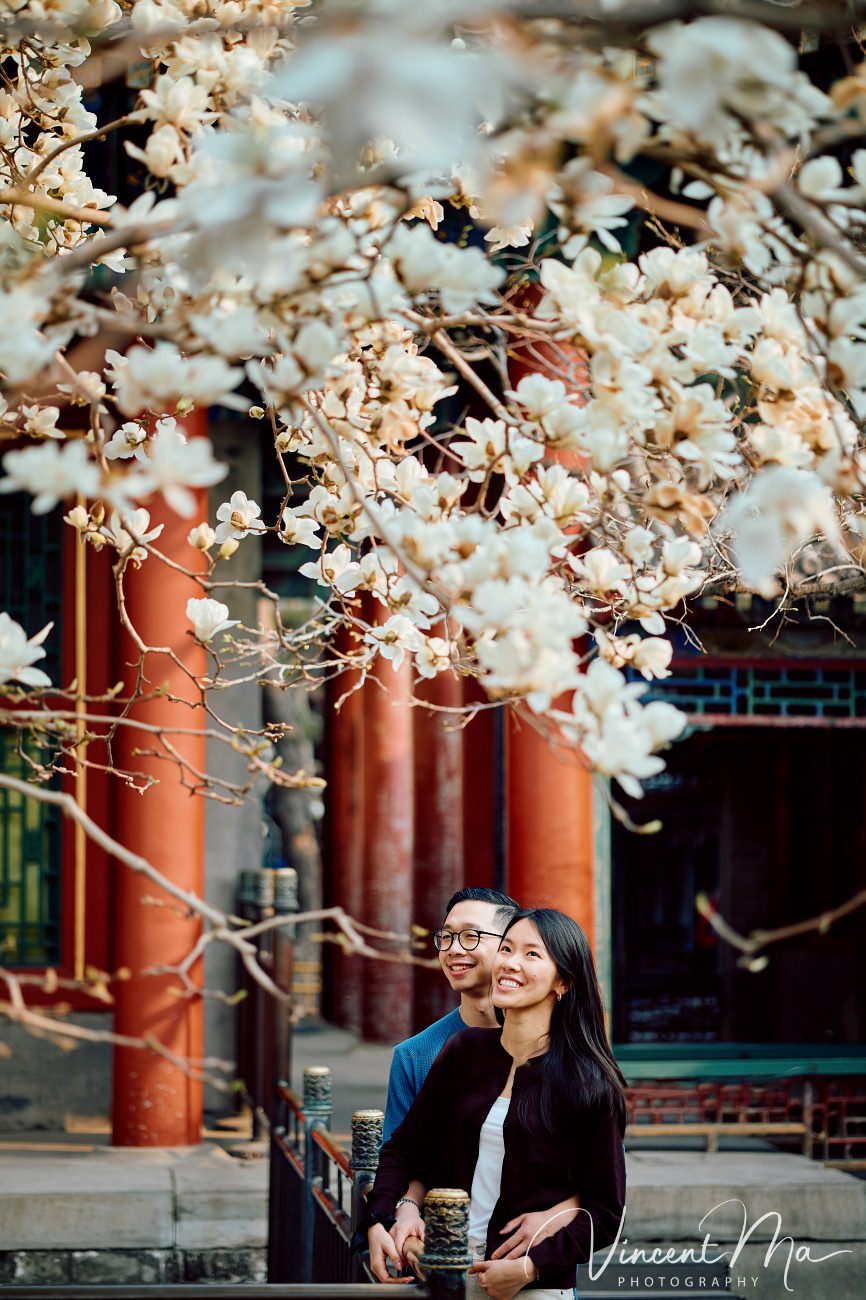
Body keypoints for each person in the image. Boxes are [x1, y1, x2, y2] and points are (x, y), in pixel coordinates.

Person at [362, 908, 627, 1300]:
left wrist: (529, 1267)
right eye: (506, 949)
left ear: (564, 982)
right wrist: (381, 1219)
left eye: (531, 954)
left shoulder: (588, 1083)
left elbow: (605, 1212)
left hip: (529, 1288)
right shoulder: (464, 1052)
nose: (510, 963)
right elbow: (404, 1148)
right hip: (443, 1273)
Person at [382, 887, 519, 1145]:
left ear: (509, 947)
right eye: (446, 936)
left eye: (471, 936)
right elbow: (397, 1160)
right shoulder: (414, 1055)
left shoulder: (554, 1045)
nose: (453, 949)